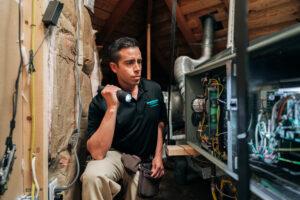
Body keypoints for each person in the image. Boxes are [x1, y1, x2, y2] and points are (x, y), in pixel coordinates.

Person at [81, 37, 167, 200]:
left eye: (139, 62)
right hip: (115, 156)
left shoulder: (154, 90)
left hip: (144, 159)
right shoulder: (101, 100)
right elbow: (97, 153)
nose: (137, 68)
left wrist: (158, 156)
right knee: (93, 177)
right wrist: (112, 107)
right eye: (129, 63)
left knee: (140, 193)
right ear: (114, 67)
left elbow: (160, 123)